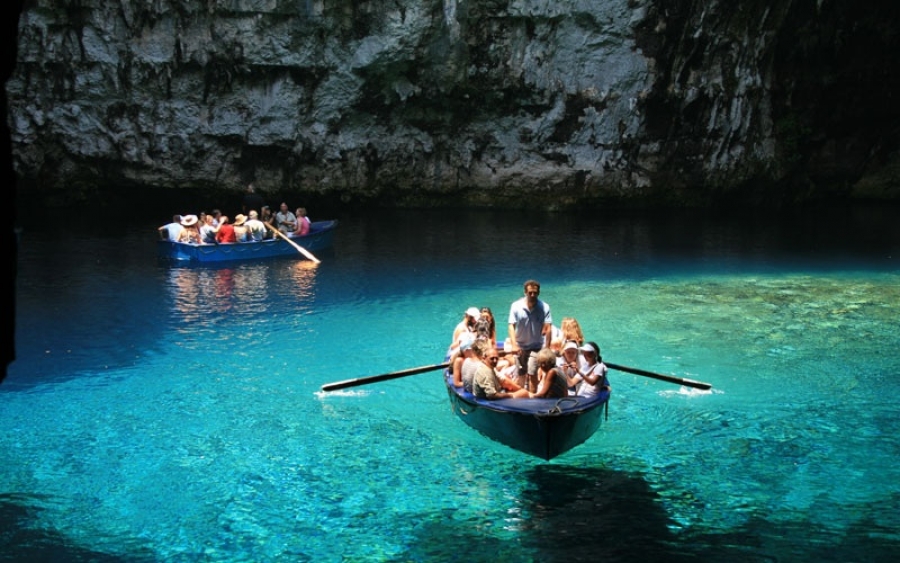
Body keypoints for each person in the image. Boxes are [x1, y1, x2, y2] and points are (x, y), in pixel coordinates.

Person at [507, 279, 552, 392]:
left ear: (538, 293)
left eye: (535, 293)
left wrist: (547, 347)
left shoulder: (544, 307)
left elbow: (548, 327)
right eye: (530, 292)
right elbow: (511, 325)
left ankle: (532, 399)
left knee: (532, 372)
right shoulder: (516, 306)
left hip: (536, 346)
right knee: (521, 373)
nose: (532, 295)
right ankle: (522, 395)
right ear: (525, 292)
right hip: (521, 346)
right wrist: (513, 344)